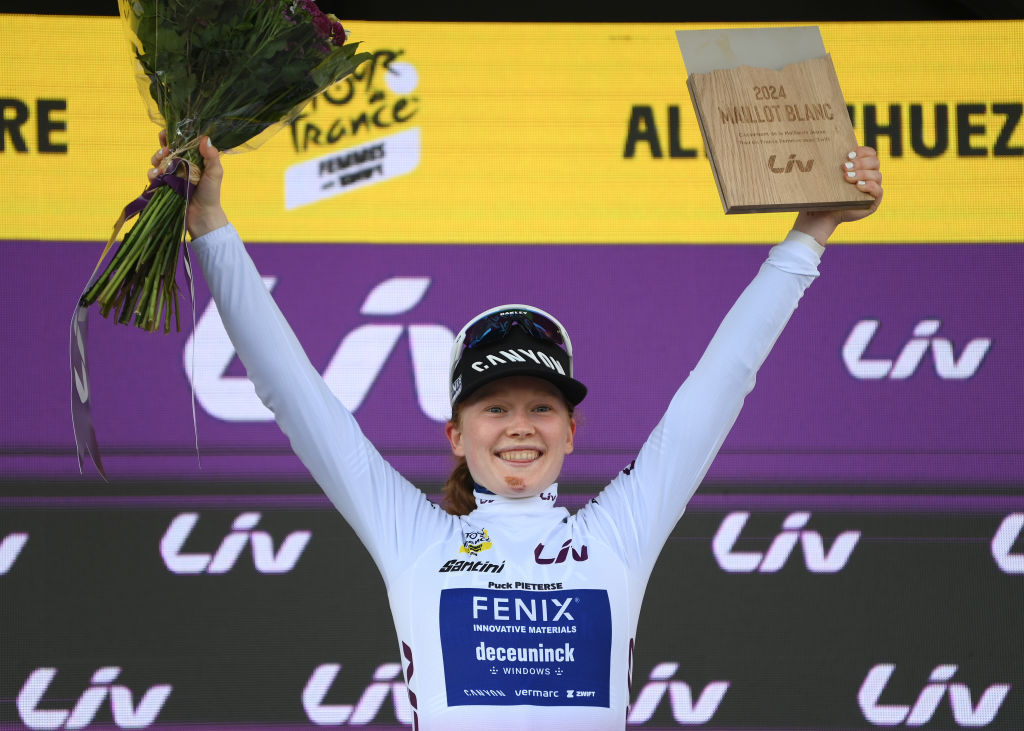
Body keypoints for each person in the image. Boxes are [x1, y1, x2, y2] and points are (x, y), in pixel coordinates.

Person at [151, 132, 882, 730]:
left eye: (541, 407)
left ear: (572, 430)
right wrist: (210, 224)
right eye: (494, 408)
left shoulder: (616, 533)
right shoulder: (416, 536)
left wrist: (810, 234)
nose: (519, 427)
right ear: (456, 436)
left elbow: (718, 387)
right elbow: (295, 393)